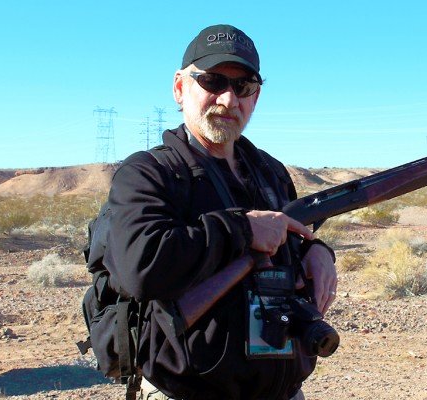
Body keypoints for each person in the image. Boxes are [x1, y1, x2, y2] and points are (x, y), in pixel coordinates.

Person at [103, 24, 338, 400]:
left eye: (243, 87)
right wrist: (242, 231)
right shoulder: (148, 173)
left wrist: (317, 252)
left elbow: (287, 235)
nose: (229, 100)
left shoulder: (271, 172)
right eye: (213, 82)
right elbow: (141, 267)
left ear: (256, 97)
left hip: (281, 391)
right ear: (180, 87)